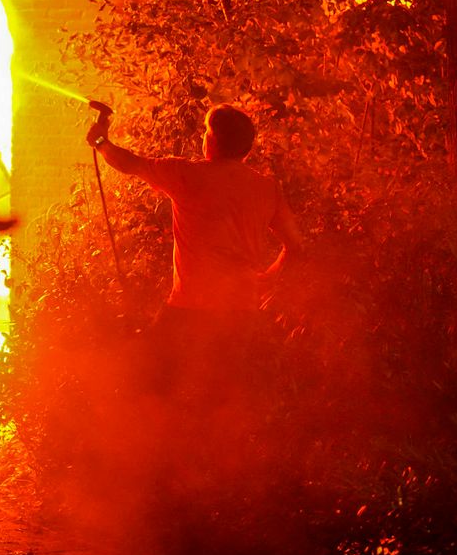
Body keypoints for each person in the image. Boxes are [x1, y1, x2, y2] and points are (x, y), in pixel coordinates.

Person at [86, 104, 304, 386]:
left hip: (190, 310)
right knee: (223, 394)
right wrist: (266, 281)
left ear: (212, 141)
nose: (203, 137)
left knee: (146, 383)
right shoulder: (266, 188)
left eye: (205, 131)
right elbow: (296, 247)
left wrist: (101, 142)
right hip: (242, 314)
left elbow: (129, 163)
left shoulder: (187, 175)